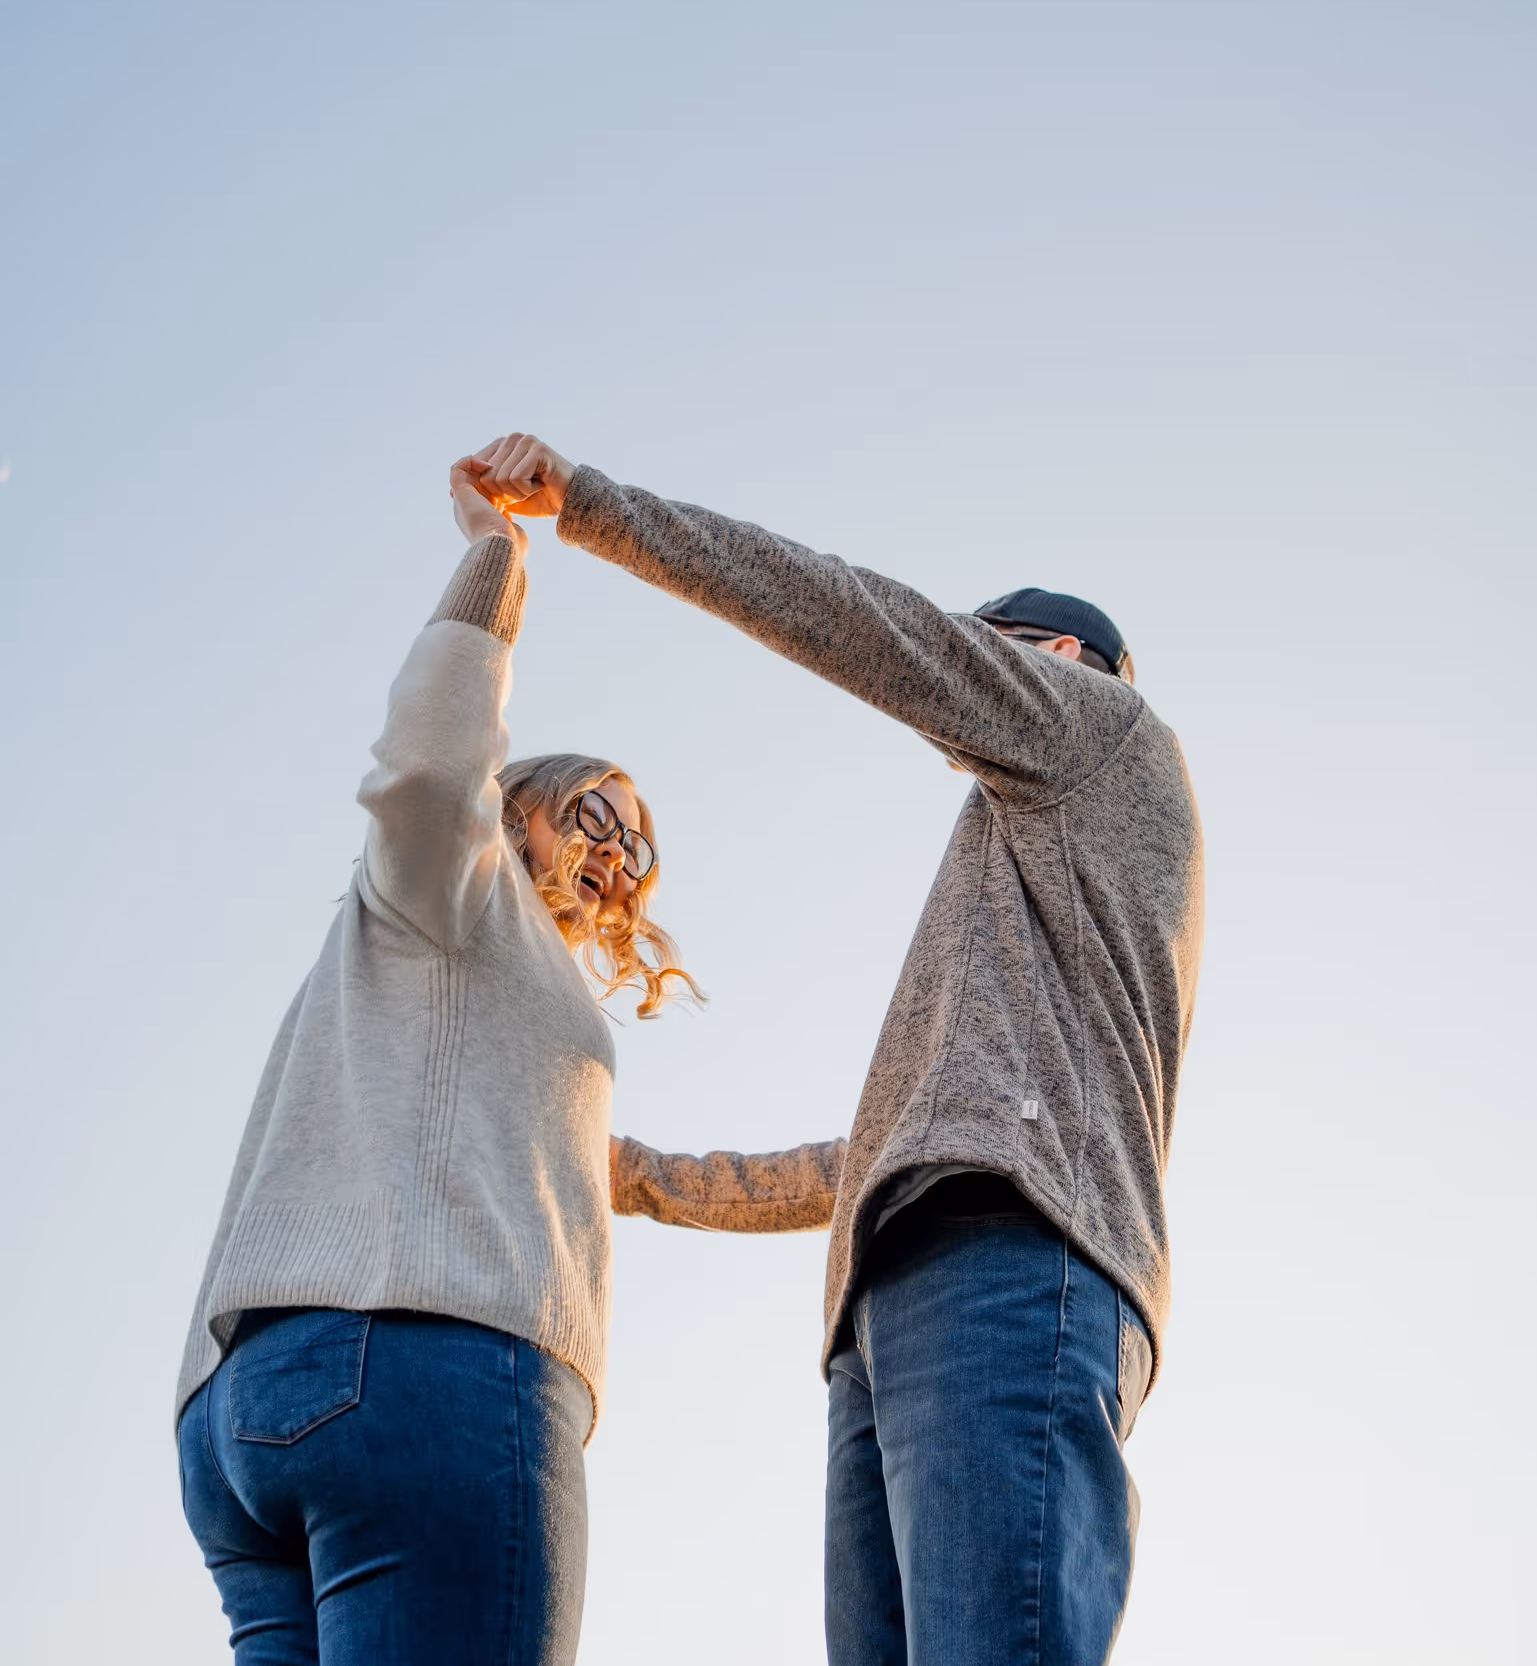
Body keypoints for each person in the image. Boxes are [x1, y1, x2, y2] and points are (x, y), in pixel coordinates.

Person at [471, 433, 1206, 1666]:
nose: (961, 672)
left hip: (1013, 1258)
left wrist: (594, 507)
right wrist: (632, 1173)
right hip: (900, 1290)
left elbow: (867, 624)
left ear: (1061, 658)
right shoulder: (1021, 879)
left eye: (988, 646)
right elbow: (867, 1154)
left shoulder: (1103, 733)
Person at [175, 456, 702, 1665]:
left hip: (243, 1415)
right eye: (596, 807)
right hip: (425, 1369)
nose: (619, 845)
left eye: (641, 842)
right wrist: (497, 560)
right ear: (522, 803)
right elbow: (424, 770)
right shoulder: (455, 884)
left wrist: (884, 1166)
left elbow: (639, 1174)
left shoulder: (451, 992)